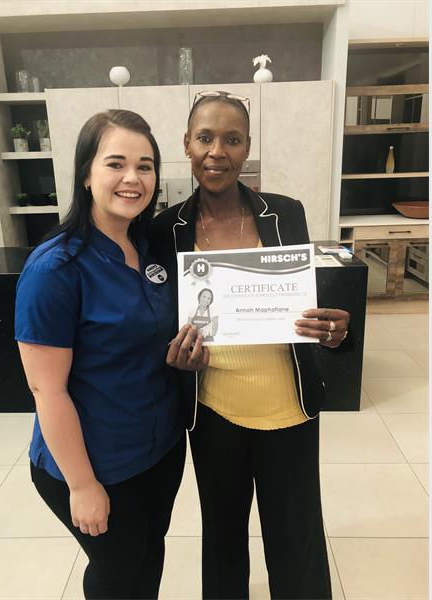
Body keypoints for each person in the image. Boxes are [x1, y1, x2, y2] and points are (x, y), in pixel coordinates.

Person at [148, 90, 352, 600]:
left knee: (297, 542)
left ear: (247, 147)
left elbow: (305, 306)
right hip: (214, 413)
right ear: (186, 145)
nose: (217, 151)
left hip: (290, 409)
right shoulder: (163, 230)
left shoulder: (286, 213)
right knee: (222, 541)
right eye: (205, 138)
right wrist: (174, 358)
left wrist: (332, 332)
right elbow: (155, 320)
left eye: (232, 139)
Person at [14, 109, 206, 599]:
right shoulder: (56, 269)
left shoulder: (149, 248)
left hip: (159, 448)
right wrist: (82, 485)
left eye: (145, 166)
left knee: (148, 555)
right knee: (118, 571)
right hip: (95, 462)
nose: (132, 178)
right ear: (86, 174)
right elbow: (46, 389)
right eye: (116, 163)